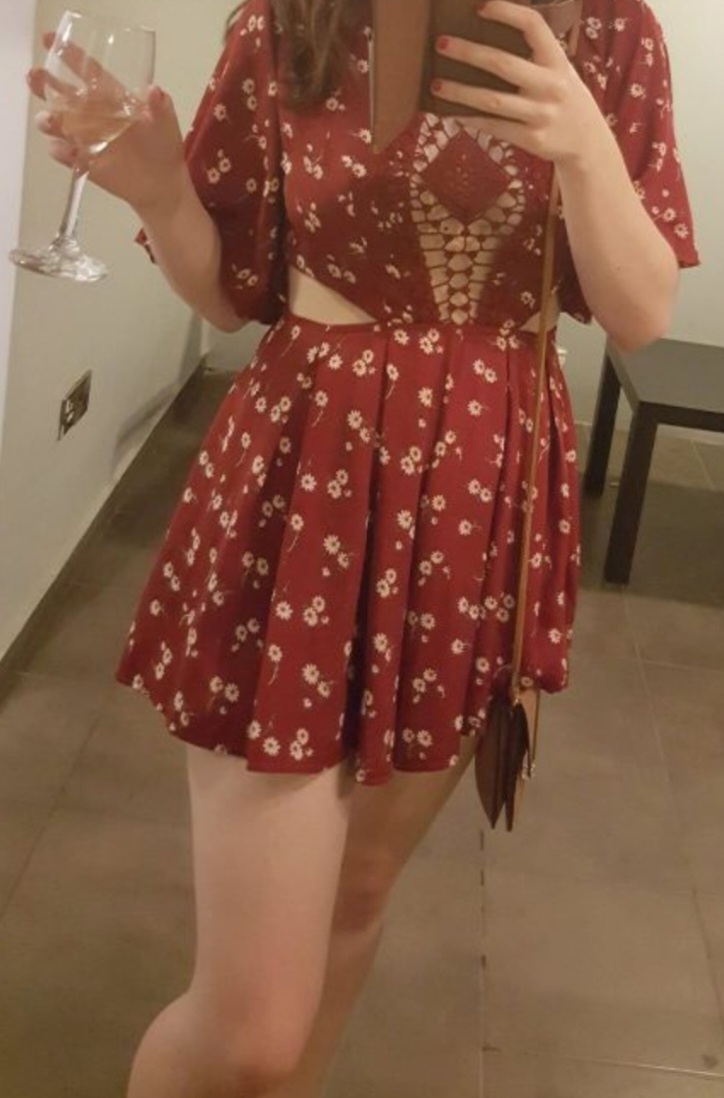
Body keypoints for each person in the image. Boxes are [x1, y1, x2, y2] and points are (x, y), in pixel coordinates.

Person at [28, 0, 698, 1095]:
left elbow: (639, 311)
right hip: (306, 497)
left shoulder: (610, 28)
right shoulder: (291, 21)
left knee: (361, 892)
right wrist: (158, 191)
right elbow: (230, 295)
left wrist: (583, 146)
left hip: (480, 510)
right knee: (249, 1032)